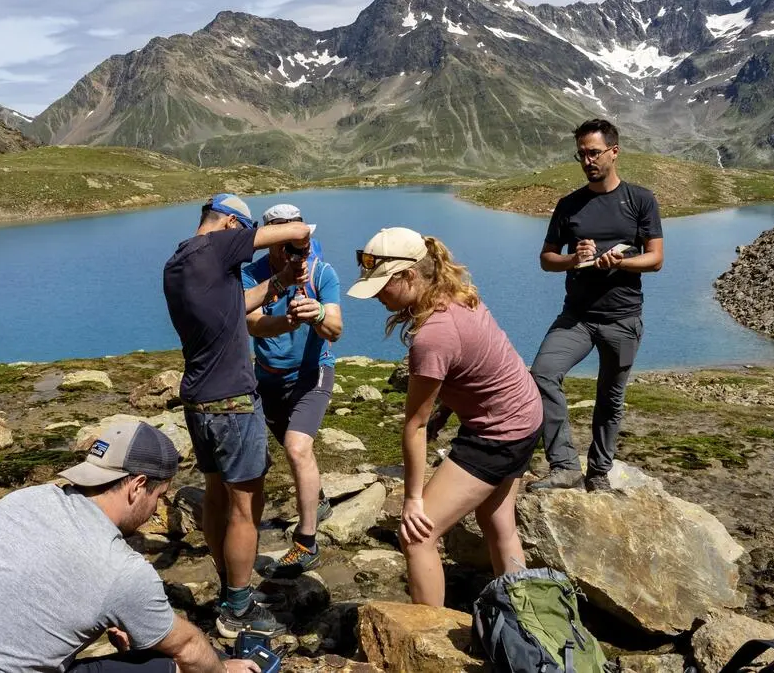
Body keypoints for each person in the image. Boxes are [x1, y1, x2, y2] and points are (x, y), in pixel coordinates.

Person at [0, 421, 259, 673]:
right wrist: (224, 669)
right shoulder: (122, 570)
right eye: (160, 495)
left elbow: (27, 591)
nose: (158, 508)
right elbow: (190, 648)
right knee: (169, 666)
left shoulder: (22, 502)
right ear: (137, 485)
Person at [347, 227, 544, 606]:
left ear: (408, 276)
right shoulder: (457, 296)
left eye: (382, 285)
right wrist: (447, 411)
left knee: (417, 536)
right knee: (498, 522)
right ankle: (527, 623)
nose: (376, 296)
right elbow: (476, 367)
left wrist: (413, 500)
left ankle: (426, 638)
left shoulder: (432, 335)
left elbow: (414, 425)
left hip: (498, 433)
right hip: (526, 414)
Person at [162, 194, 310, 638]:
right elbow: (298, 230)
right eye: (241, 232)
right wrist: (299, 247)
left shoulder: (179, 262)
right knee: (246, 509)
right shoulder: (217, 245)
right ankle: (238, 610)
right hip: (233, 402)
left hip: (199, 401)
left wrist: (281, 280)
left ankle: (229, 584)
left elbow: (233, 308)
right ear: (229, 223)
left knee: (215, 495)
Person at [527, 118, 664, 493]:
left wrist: (618, 262)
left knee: (611, 398)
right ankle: (565, 465)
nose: (588, 160)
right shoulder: (569, 205)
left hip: (622, 318)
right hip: (578, 316)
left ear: (614, 152)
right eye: (582, 154)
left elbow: (655, 259)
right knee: (542, 374)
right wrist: (574, 260)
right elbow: (546, 259)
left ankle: (599, 473)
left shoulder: (641, 200)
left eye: (594, 152)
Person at [240, 203, 344, 579]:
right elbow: (251, 324)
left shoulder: (322, 272)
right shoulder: (251, 274)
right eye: (284, 241)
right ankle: (317, 501)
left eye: (300, 239)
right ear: (269, 241)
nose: (295, 249)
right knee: (289, 445)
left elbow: (335, 328)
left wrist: (317, 314)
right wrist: (286, 320)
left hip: (312, 374)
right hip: (268, 377)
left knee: (297, 448)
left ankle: (306, 542)